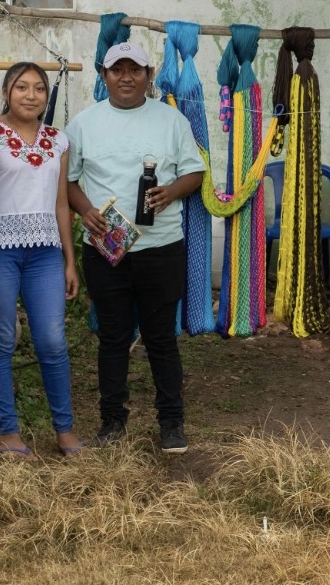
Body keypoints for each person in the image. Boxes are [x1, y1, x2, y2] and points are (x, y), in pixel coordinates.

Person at [66, 42, 205, 452]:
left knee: (161, 337)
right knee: (112, 337)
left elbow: (194, 172)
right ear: (103, 75)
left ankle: (172, 422)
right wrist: (86, 210)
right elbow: (69, 181)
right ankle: (112, 421)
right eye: (117, 70)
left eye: (135, 69)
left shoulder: (171, 120)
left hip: (161, 247)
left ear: (149, 75)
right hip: (106, 250)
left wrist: (170, 192)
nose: (126, 77)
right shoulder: (84, 123)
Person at [0, 62, 83, 458]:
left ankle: (65, 430)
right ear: (6, 91)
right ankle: (8, 433)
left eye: (39, 88)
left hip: (45, 252)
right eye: (21, 87)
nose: (31, 95)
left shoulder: (58, 140)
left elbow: (62, 204)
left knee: (52, 341)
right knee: (2, 339)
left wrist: (69, 261)